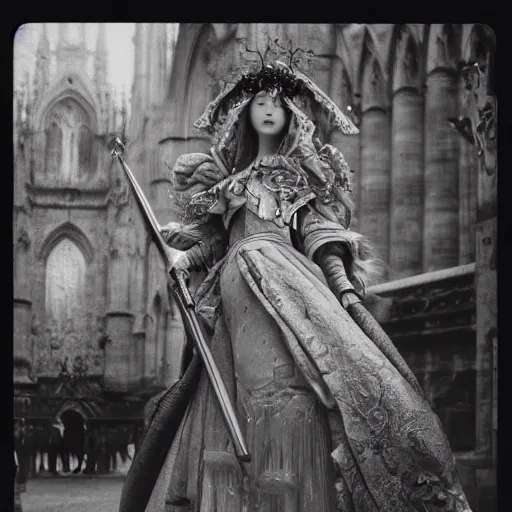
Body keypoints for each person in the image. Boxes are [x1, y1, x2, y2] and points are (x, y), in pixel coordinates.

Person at [127, 49, 473, 512]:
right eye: (260, 101)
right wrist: (181, 259)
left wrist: (343, 285)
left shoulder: (298, 176)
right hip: (236, 295)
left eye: (279, 101)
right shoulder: (230, 186)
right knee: (230, 400)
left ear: (292, 114)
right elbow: (215, 241)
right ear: (245, 113)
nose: (270, 107)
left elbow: (316, 231)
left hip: (290, 284)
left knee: (308, 388)